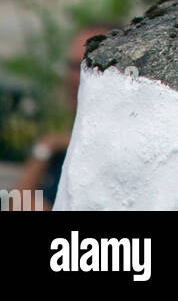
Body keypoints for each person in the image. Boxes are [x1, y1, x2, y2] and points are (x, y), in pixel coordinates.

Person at [14, 24, 113, 210]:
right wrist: (46, 147)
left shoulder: (110, 154)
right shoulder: (64, 149)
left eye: (85, 66)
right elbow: (16, 203)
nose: (73, 77)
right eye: (71, 66)